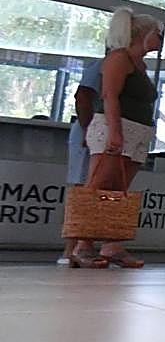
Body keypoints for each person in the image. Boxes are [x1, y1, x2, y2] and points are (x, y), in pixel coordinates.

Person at [77, 8, 164, 269]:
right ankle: (82, 244)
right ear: (144, 35)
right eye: (157, 35)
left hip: (136, 131)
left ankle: (111, 244)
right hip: (116, 127)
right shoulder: (119, 58)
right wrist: (115, 130)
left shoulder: (141, 65)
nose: (160, 40)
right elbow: (109, 95)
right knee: (99, 185)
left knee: (117, 189)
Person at [61, 57, 102, 265]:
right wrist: (88, 129)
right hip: (90, 132)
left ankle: (82, 246)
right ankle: (70, 251)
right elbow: (82, 96)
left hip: (96, 131)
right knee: (82, 189)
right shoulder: (101, 67)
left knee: (90, 191)